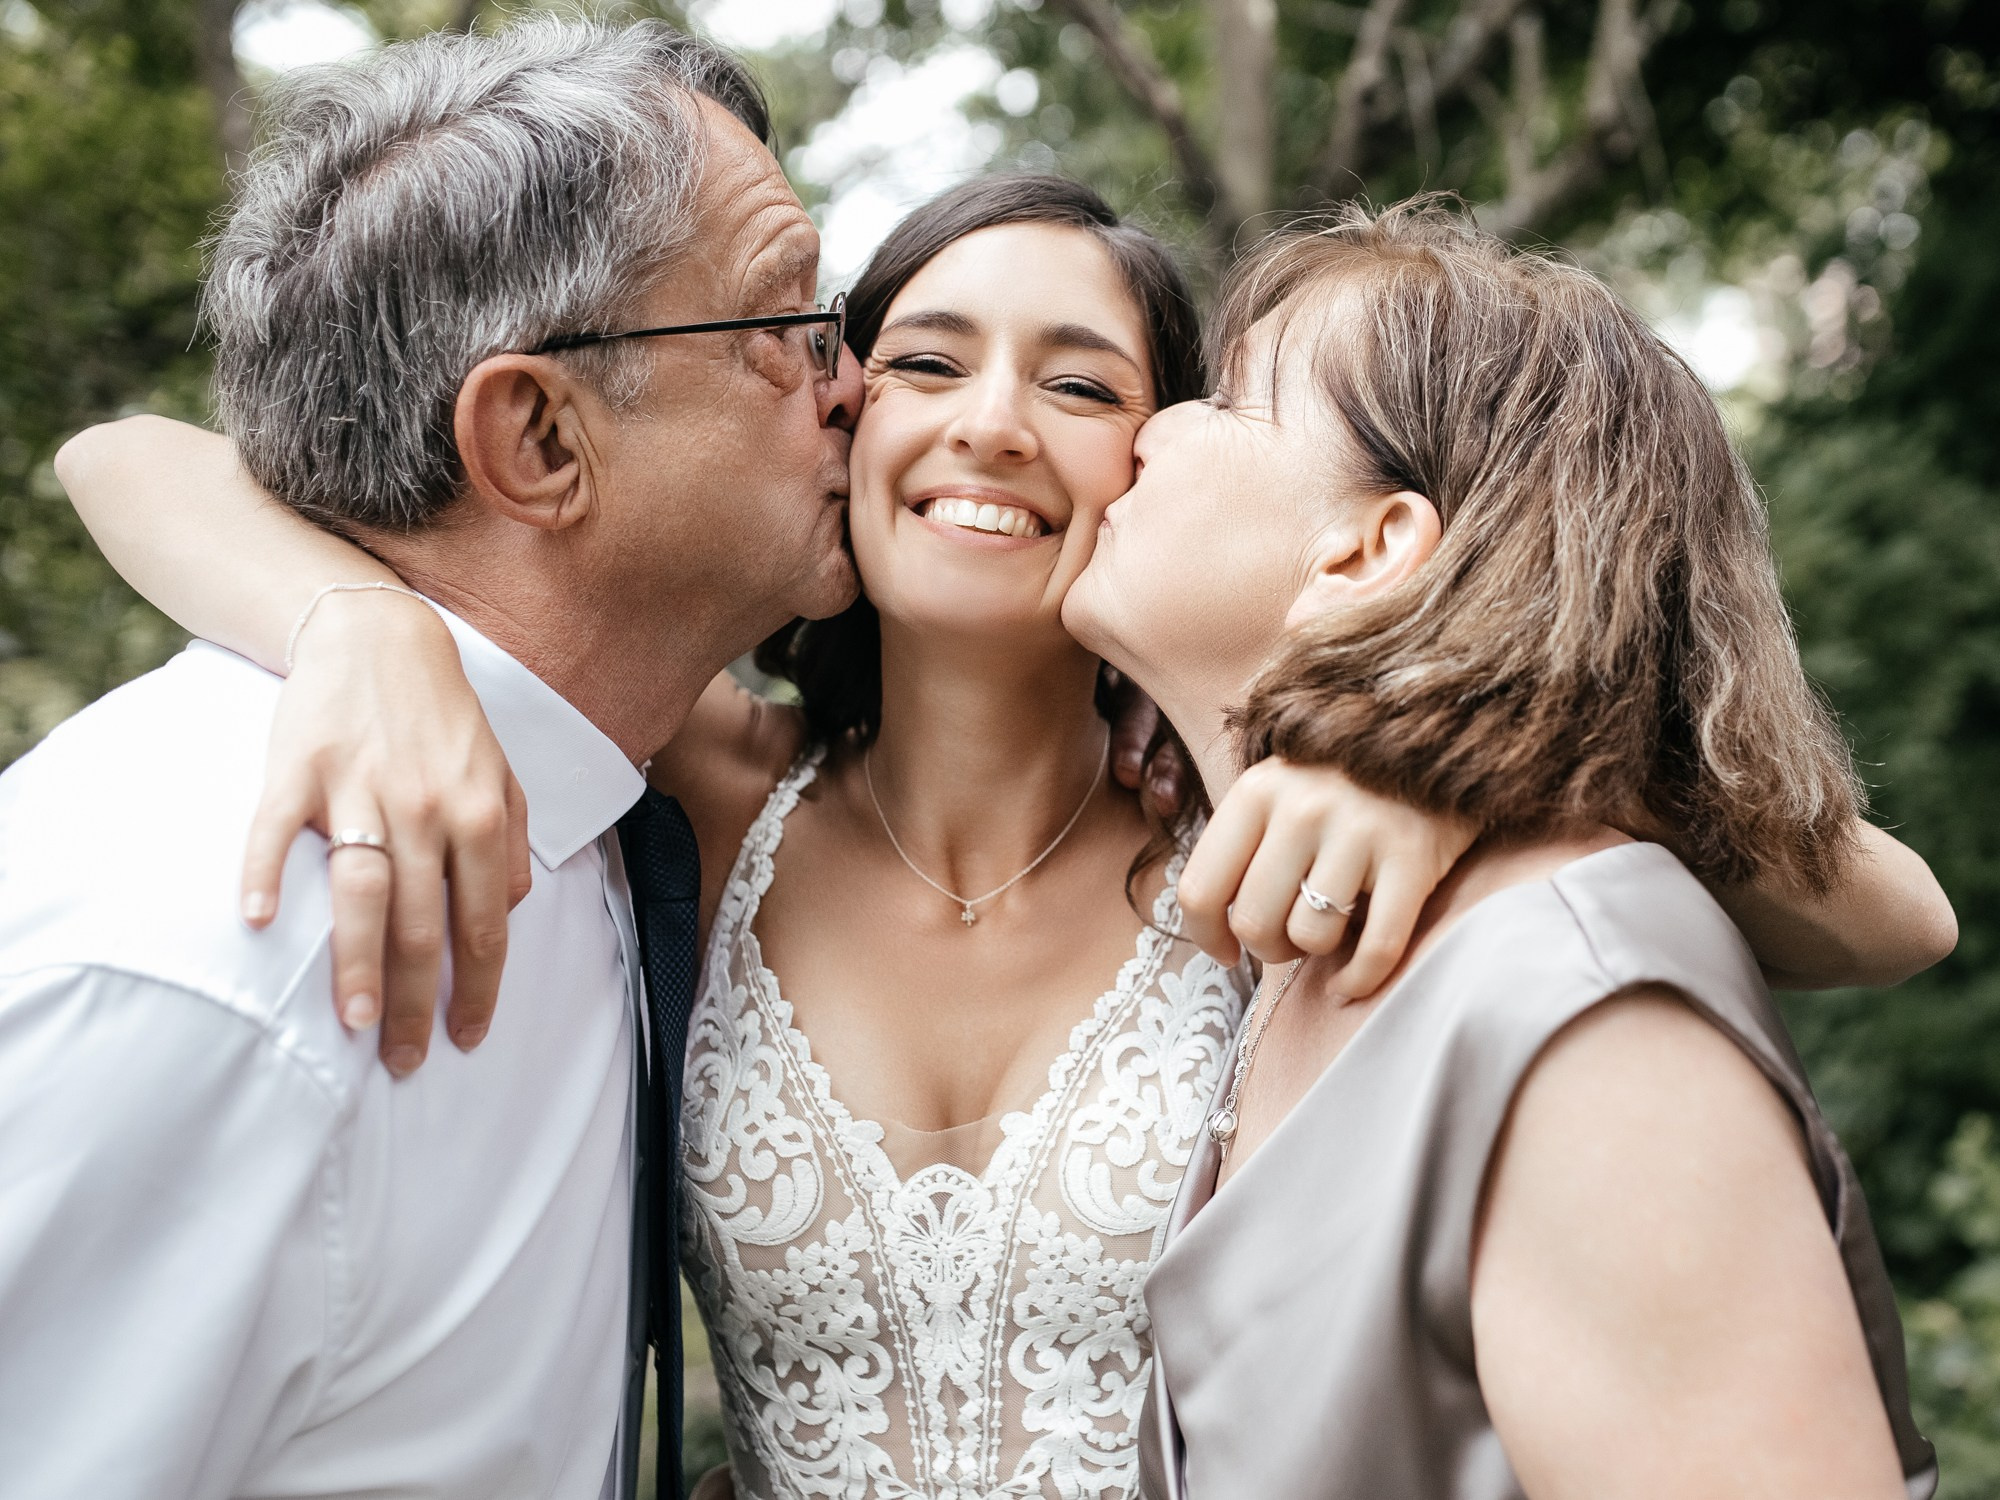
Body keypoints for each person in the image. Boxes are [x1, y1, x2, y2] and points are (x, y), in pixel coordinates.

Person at [61, 170, 1955, 1500]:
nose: (992, 426)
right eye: (930, 361)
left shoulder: (1269, 838)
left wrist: (1447, 744)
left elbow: (1890, 912)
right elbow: (123, 458)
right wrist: (356, 624)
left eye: (1084, 383)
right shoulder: (702, 793)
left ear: (1158, 452)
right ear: (838, 411)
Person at [0, 20, 864, 1499]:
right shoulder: (211, 968)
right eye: (785, 326)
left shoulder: (613, 799)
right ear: (538, 440)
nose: (852, 385)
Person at [1058, 197, 1945, 1498]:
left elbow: (1907, 915)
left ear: (1371, 548)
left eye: (1228, 397)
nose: (1153, 427)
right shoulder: (1313, 936)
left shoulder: (1569, 1004)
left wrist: (1491, 756)